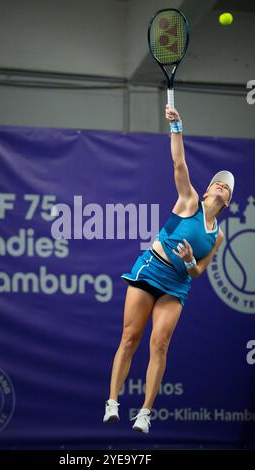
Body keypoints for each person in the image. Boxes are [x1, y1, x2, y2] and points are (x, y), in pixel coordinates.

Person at [103, 104, 235, 434]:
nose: (221, 185)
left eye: (227, 186)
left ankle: (145, 413)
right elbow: (179, 162)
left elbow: (198, 272)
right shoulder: (189, 200)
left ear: (229, 202)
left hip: (177, 284)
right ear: (206, 191)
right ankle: (113, 403)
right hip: (151, 270)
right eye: (217, 183)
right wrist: (176, 126)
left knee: (159, 345)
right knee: (130, 337)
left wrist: (191, 260)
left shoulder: (217, 235)